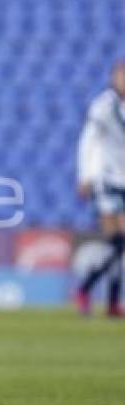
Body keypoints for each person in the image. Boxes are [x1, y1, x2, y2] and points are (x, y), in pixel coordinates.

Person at [76, 61, 125, 317]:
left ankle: (112, 303)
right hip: (106, 181)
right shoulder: (103, 106)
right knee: (118, 242)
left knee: (117, 246)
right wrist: (86, 176)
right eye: (120, 76)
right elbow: (88, 141)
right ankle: (85, 289)